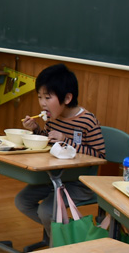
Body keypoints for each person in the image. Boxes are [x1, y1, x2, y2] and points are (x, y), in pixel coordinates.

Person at [14, 63, 106, 239]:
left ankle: (59, 243)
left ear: (67, 98)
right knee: (22, 201)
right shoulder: (53, 118)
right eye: (40, 97)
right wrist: (36, 130)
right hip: (52, 178)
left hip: (78, 183)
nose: (42, 103)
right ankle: (68, 233)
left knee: (46, 210)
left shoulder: (87, 120)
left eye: (48, 98)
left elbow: (100, 155)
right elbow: (52, 145)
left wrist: (67, 140)